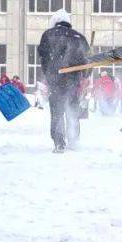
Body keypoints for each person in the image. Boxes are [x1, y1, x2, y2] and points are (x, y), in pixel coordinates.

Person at [38, 9, 91, 153]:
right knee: (72, 108)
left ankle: (59, 142)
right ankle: (73, 138)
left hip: (55, 78)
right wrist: (85, 76)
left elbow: (43, 57)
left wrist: (47, 75)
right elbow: (88, 60)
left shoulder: (48, 35)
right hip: (73, 79)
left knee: (57, 110)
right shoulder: (79, 37)